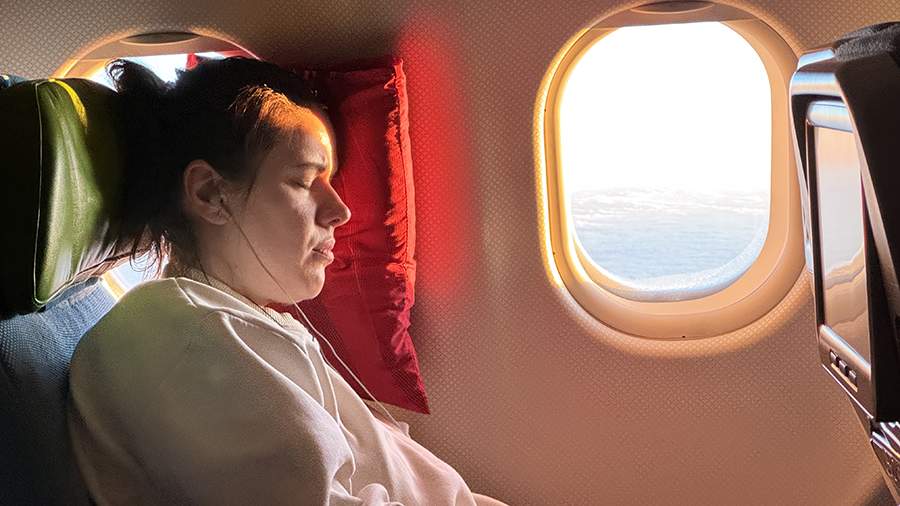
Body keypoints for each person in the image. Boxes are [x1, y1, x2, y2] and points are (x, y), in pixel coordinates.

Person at [67, 57, 506, 505]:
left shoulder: (234, 322)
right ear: (209, 193)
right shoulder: (184, 339)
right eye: (304, 180)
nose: (340, 211)